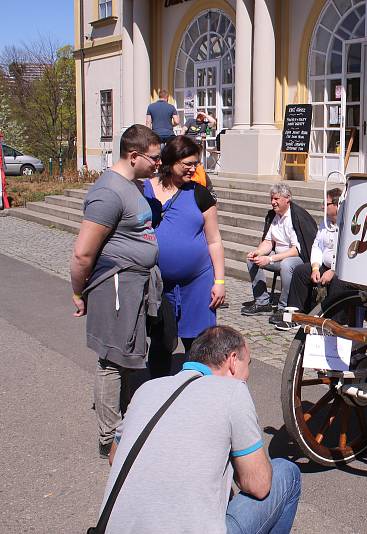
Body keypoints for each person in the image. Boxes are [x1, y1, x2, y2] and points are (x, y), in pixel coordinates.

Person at [101, 326, 301, 534]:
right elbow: (258, 485)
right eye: (247, 364)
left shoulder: (147, 389)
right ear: (233, 360)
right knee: (286, 472)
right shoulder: (233, 392)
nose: (247, 374)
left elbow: (115, 457)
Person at [70, 124, 161, 458]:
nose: (157, 164)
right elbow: (83, 253)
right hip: (117, 285)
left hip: (135, 285)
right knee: (112, 359)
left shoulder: (133, 185)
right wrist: (79, 293)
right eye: (153, 158)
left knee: (131, 357)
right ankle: (110, 438)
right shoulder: (108, 192)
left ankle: (131, 422)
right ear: (133, 156)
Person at [143, 135, 226, 366]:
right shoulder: (146, 191)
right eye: (187, 164)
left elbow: (214, 240)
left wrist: (219, 282)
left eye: (195, 164)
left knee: (198, 343)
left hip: (197, 282)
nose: (193, 169)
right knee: (160, 341)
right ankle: (158, 391)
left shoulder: (200, 194)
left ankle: (195, 389)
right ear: (171, 161)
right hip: (159, 283)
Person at [276, 188, 353, 331]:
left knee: (338, 280)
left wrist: (333, 270)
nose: (323, 206)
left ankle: (333, 323)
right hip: (325, 265)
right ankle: (296, 314)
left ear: (337, 205)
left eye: (326, 203)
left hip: (343, 268)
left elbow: (348, 251)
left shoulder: (349, 225)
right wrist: (316, 267)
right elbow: (317, 245)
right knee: (300, 271)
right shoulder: (325, 223)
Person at [242, 184, 317, 317]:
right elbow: (268, 241)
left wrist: (270, 259)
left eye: (276, 199)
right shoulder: (274, 216)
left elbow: (296, 250)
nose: (273, 202)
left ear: (287, 199)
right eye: (272, 199)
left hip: (298, 258)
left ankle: (284, 307)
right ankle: (262, 302)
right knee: (252, 260)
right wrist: (258, 252)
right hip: (278, 256)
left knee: (286, 264)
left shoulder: (297, 216)